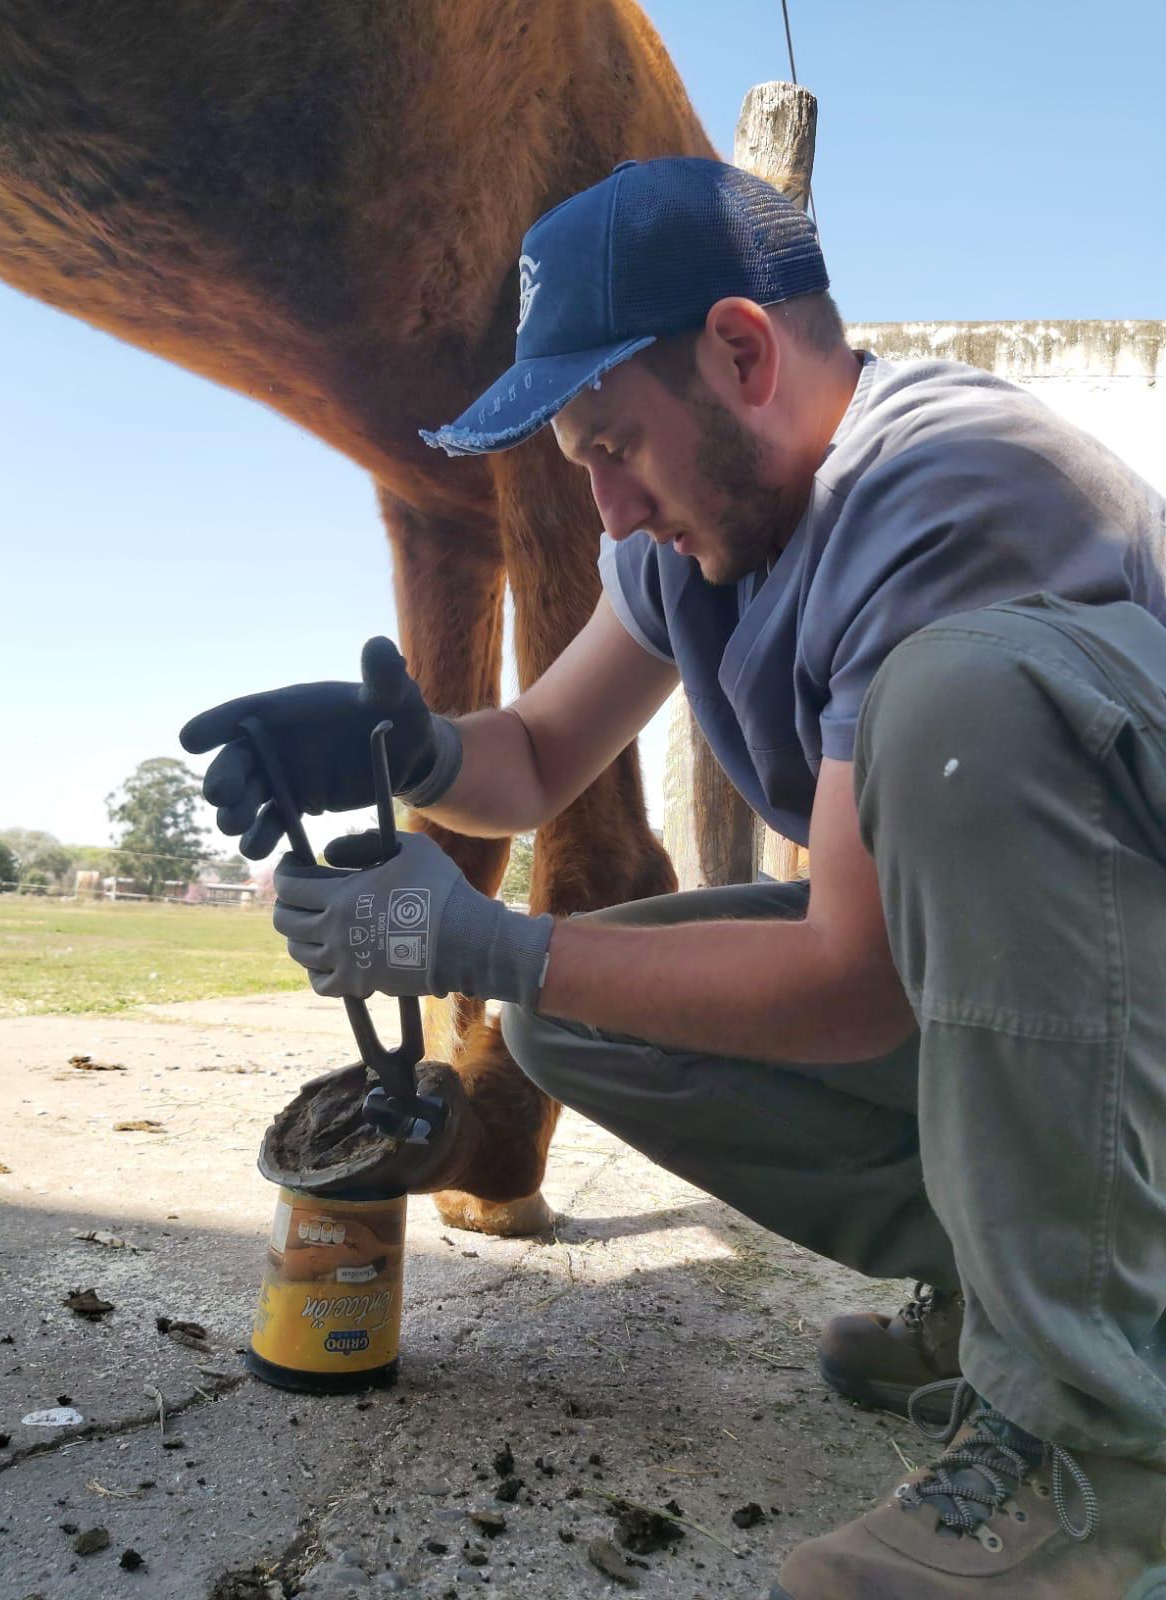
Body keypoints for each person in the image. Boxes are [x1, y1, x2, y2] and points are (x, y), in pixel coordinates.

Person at [181, 158, 1166, 1598]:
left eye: (612, 444)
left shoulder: (956, 490)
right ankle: (1002, 1291)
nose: (612, 513)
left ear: (743, 352)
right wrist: (402, 744)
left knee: (957, 703)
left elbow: (845, 982)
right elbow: (529, 754)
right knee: (576, 1015)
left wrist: (482, 944)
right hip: (1067, 1034)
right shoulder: (699, 534)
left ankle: (1107, 1444)